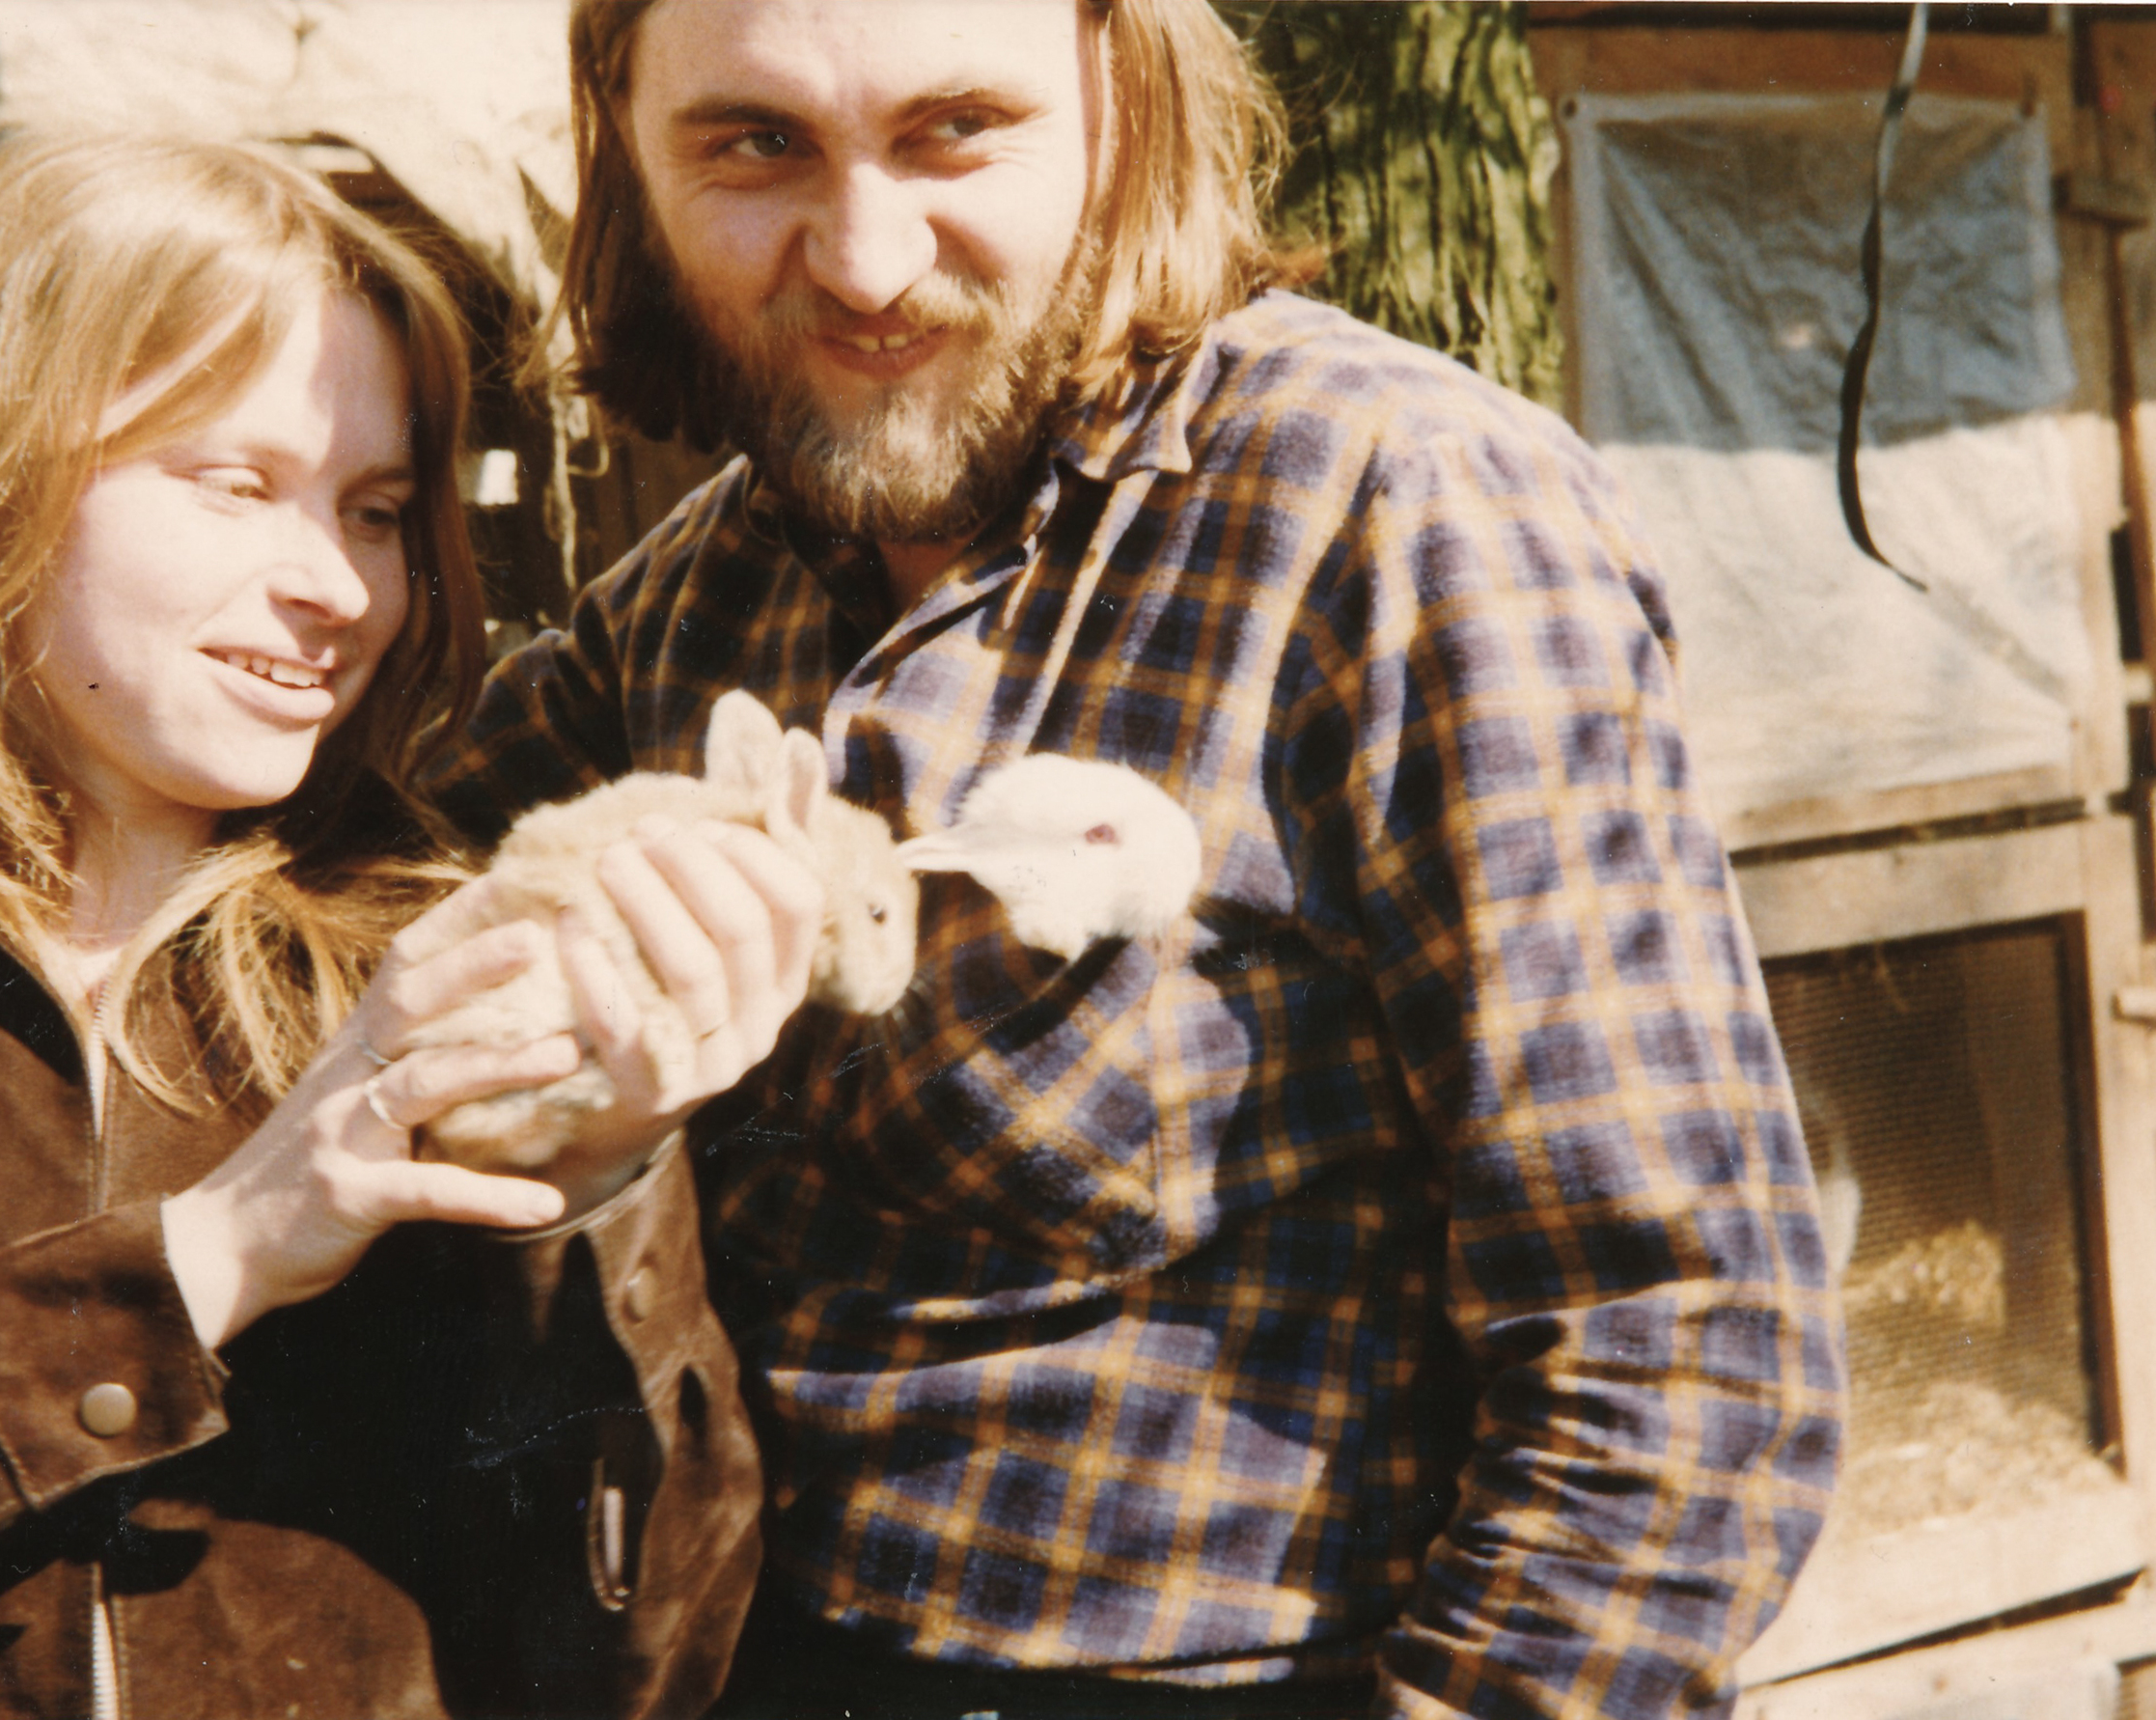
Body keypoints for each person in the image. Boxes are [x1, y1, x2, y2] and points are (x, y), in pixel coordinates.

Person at [429, 0, 1847, 1714]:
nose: (866, 261)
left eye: (958, 128)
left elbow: (1679, 1352)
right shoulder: (682, 600)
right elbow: (336, 958)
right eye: (756, 143)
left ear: (1128, 96)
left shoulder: (1398, 507)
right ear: (627, 143)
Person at [0, 132, 816, 1718]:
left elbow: (636, 1672)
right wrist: (209, 1255)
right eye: (237, 485)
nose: (342, 588)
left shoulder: (435, 968)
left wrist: (596, 1200)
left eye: (375, 510)